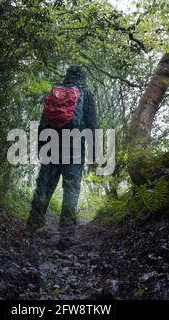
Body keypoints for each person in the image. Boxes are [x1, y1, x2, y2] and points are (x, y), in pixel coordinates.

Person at [26, 65, 98, 250]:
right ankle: (66, 238)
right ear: (83, 77)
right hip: (74, 145)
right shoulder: (85, 93)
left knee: (44, 185)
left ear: (67, 76)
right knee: (71, 189)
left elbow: (44, 121)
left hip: (51, 143)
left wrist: (41, 147)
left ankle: (32, 228)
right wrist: (94, 153)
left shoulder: (55, 91)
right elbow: (92, 125)